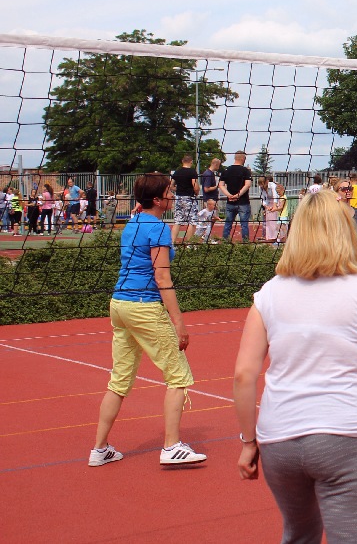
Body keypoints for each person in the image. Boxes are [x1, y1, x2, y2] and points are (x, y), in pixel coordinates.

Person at [233, 190, 357, 544]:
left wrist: (249, 441)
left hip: (279, 439)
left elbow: (244, 375)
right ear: (344, 230)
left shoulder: (268, 293)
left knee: (299, 535)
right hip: (345, 434)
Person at [89, 172, 207, 468]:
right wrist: (178, 322)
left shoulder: (133, 222)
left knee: (119, 381)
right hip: (143, 306)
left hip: (119, 305)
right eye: (169, 191)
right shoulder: (156, 227)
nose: (173, 194)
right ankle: (171, 447)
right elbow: (162, 275)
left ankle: (100, 449)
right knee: (179, 376)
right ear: (157, 199)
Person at [219, 151, 253, 242]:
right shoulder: (245, 171)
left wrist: (229, 195)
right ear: (243, 159)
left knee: (228, 223)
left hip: (230, 202)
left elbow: (221, 185)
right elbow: (247, 185)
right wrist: (238, 194)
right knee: (244, 224)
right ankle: (245, 243)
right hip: (243, 202)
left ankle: (224, 242)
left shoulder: (226, 170)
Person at [171, 155, 200, 244]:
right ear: (191, 161)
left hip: (179, 197)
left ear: (182, 161)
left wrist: (178, 189)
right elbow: (195, 186)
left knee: (177, 220)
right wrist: (196, 192)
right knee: (192, 221)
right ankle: (189, 243)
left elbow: (171, 186)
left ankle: (172, 243)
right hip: (189, 197)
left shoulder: (177, 172)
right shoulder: (192, 172)